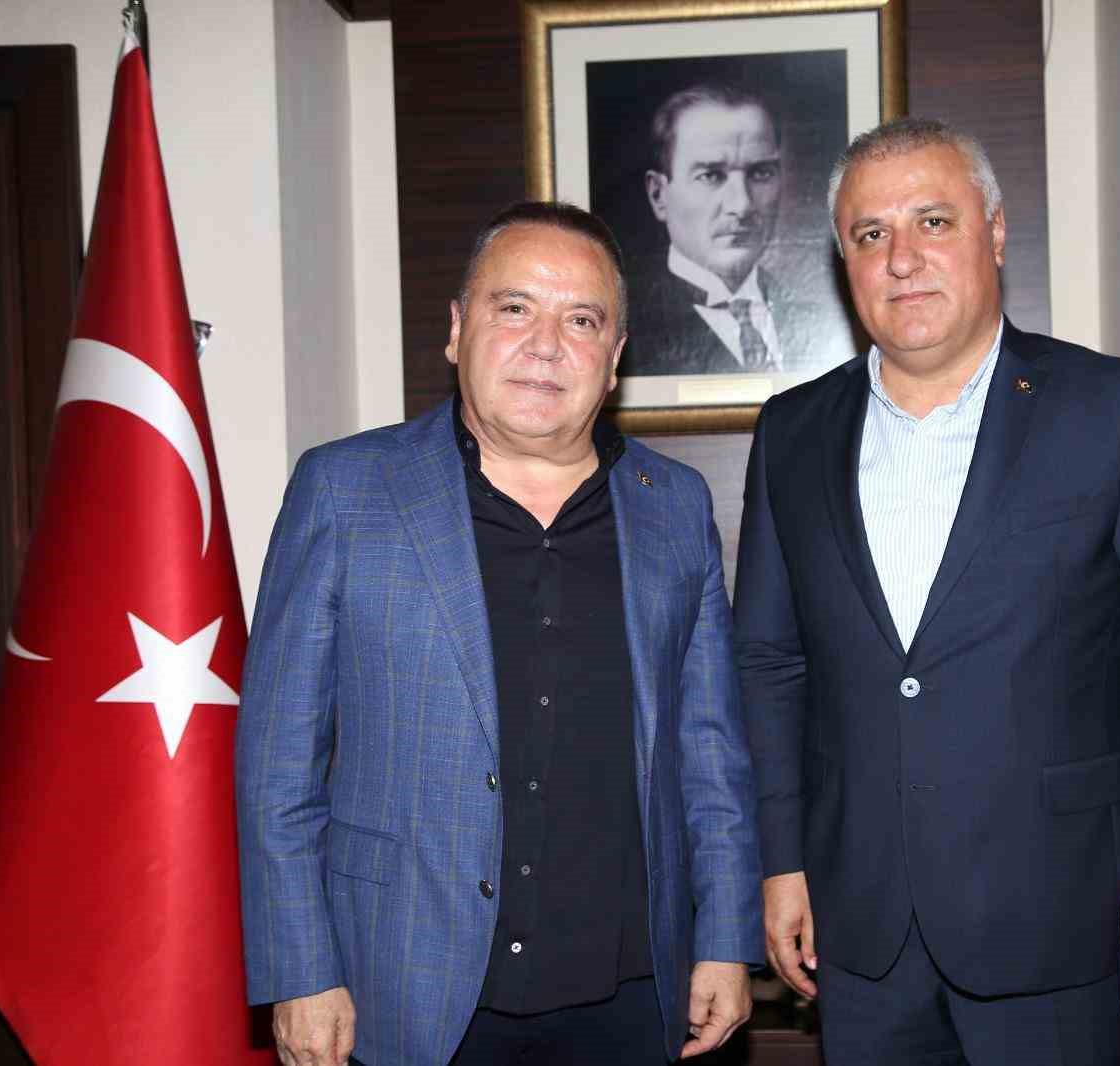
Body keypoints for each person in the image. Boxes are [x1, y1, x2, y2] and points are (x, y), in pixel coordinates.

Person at [733, 118, 1120, 1065]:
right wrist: (782, 859)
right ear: (845, 259)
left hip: (1067, 923)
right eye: (871, 234)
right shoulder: (792, 433)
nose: (902, 258)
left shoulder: (1113, 410)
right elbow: (770, 662)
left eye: (933, 221)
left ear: (996, 232)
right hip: (862, 933)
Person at [236, 202, 762, 1066]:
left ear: (615, 358)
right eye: (514, 307)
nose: (545, 345)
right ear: (457, 330)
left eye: (581, 320)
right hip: (403, 990)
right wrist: (299, 970)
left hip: (630, 996)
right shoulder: (345, 491)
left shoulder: (674, 507)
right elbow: (277, 766)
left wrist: (726, 937)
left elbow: (711, 753)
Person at [626, 84, 788, 376]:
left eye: (761, 173)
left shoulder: (812, 314)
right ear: (658, 195)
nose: (741, 205)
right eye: (711, 176)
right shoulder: (627, 333)